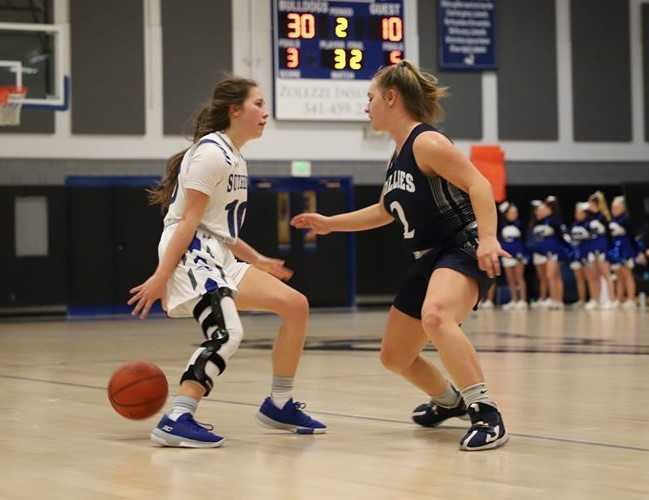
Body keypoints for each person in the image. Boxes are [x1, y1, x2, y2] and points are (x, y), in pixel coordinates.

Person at [291, 60, 509, 451]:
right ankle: (449, 401)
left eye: (370, 97)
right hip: (430, 257)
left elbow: (479, 183)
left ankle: (486, 413)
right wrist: (329, 223)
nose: (366, 106)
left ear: (391, 98)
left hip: (462, 246)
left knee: (437, 316)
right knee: (395, 356)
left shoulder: (427, 142)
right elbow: (383, 211)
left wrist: (489, 239)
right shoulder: (398, 155)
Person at [128, 76, 326, 448]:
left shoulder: (234, 156)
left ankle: (279, 403)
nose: (265, 113)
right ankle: (178, 416)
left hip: (217, 254)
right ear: (235, 111)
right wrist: (161, 275)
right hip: (192, 253)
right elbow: (189, 222)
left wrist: (258, 259)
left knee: (295, 306)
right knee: (227, 333)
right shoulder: (210, 153)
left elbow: (220, 230)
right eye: (258, 104)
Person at [528, 197, 570, 310]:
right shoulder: (542, 222)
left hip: (555, 252)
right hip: (548, 253)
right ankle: (556, 300)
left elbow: (563, 236)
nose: (541, 212)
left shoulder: (554, 221)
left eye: (544, 209)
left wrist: (564, 250)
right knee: (553, 276)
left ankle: (556, 300)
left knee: (552, 276)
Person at [584, 191, 616, 309]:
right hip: (591, 249)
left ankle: (611, 300)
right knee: (594, 275)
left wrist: (608, 250)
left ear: (598, 205)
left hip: (602, 249)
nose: (589, 206)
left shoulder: (604, 218)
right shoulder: (588, 218)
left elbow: (609, 236)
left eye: (592, 204)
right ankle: (595, 299)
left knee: (606, 274)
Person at [608, 196, 640, 309]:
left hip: (626, 250)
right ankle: (619, 298)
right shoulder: (612, 220)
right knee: (618, 276)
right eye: (613, 207)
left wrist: (636, 252)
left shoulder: (626, 220)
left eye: (616, 207)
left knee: (627, 275)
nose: (614, 210)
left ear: (623, 208)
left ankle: (631, 299)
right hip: (616, 251)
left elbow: (633, 237)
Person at [497, 201, 528, 310]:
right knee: (510, 279)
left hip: (519, 255)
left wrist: (522, 254)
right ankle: (514, 300)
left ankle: (522, 300)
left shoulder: (520, 225)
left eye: (515, 212)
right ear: (506, 214)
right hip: (507, 256)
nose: (514, 215)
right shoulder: (503, 225)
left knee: (519, 277)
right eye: (511, 212)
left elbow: (525, 241)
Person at [569, 202, 592, 308]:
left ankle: (592, 299)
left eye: (580, 212)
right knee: (579, 279)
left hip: (586, 254)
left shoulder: (589, 224)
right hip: (576, 255)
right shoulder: (574, 225)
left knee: (590, 278)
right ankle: (581, 300)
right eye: (576, 212)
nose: (577, 214)